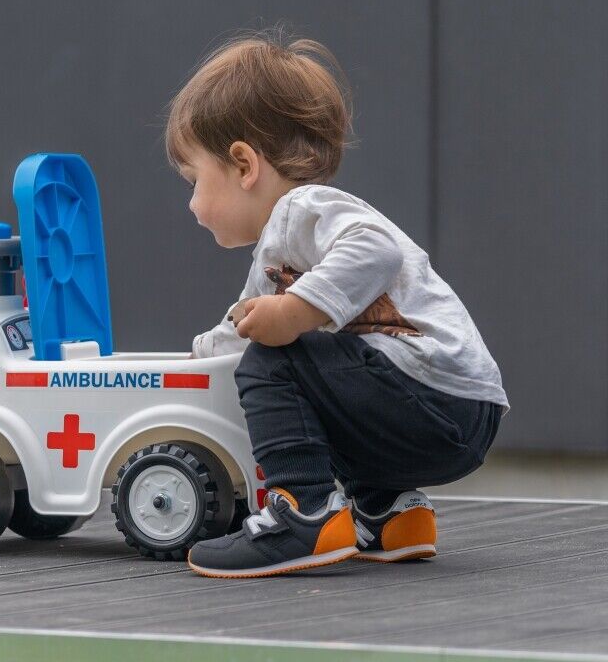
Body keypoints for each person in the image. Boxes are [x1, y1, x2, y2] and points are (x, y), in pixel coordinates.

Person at [164, 30, 509, 579]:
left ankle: (303, 515)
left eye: (194, 179)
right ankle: (391, 514)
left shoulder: (305, 208)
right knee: (314, 376)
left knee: (278, 359)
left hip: (437, 397)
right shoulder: (279, 249)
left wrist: (296, 312)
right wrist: (196, 360)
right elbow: (244, 326)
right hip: (459, 411)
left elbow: (376, 249)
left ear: (243, 163)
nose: (192, 203)